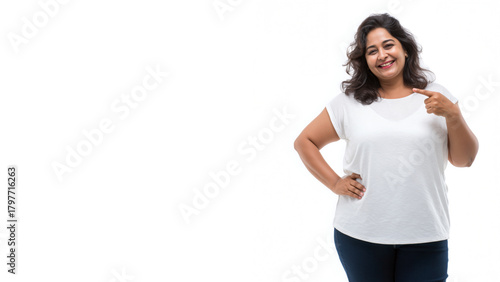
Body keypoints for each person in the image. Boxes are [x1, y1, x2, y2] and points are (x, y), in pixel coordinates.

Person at [293, 13, 479, 282]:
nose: (382, 55)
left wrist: (453, 115)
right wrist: (335, 183)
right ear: (365, 60)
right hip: (360, 235)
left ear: (404, 48)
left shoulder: (437, 97)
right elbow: (304, 142)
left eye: (388, 45)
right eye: (372, 50)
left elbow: (465, 160)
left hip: (425, 234)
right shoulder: (349, 103)